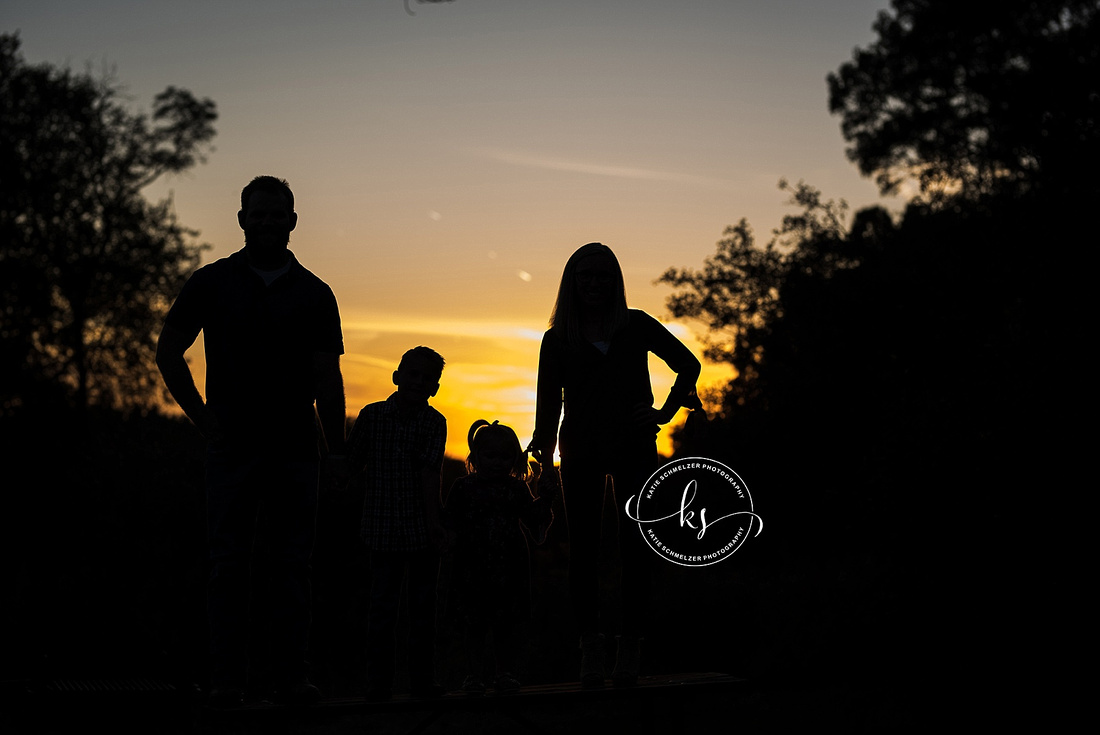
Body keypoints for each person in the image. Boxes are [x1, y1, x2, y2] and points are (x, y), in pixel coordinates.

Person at [156, 175, 346, 707]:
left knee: (292, 568)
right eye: (254, 214)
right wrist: (202, 418)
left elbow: (327, 378)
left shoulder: (315, 293)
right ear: (241, 220)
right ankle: (226, 682)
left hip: (294, 449)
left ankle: (291, 678)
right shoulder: (211, 283)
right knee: (228, 566)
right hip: (232, 448)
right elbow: (169, 352)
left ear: (291, 221)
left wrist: (337, 450)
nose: (264, 222)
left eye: (274, 214)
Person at [529, 242, 701, 689]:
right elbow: (548, 406)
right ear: (572, 281)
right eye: (585, 275)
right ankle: (590, 647)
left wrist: (664, 413)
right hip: (580, 451)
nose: (594, 283)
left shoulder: (636, 324)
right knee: (583, 552)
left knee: (636, 549)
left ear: (615, 281)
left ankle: (630, 645)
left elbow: (688, 364)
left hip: (635, 447)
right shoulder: (557, 338)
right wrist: (543, 458)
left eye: (603, 275)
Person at [346, 346, 447, 701]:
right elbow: (351, 465)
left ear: (435, 387)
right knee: (382, 611)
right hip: (381, 530)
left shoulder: (435, 423)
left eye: (427, 378)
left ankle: (422, 681)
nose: (419, 382)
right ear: (397, 377)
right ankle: (378, 685)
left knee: (423, 613)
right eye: (413, 374)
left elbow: (430, 473)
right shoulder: (371, 417)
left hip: (421, 533)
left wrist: (435, 525)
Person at [445, 420, 553, 696]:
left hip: (510, 566)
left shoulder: (516, 489)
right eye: (490, 455)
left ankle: (504, 673)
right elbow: (449, 526)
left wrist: (546, 497)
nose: (497, 462)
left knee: (506, 624)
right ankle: (474, 675)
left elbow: (533, 521)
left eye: (505, 456)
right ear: (476, 457)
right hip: (471, 567)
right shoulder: (462, 487)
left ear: (515, 459)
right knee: (474, 624)